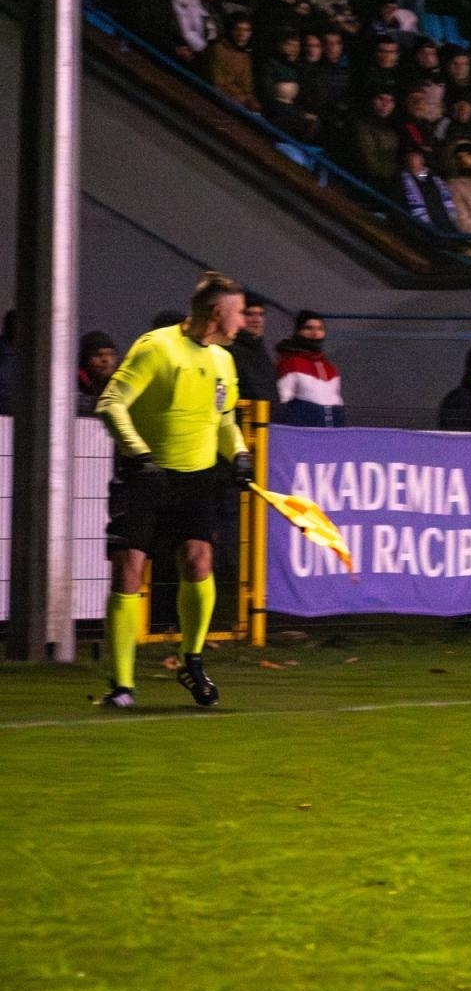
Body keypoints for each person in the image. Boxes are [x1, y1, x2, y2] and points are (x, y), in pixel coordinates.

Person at [94, 271, 253, 710]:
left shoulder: (223, 361)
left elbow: (223, 420)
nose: (243, 322)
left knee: (199, 563)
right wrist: (140, 457)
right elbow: (110, 404)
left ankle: (192, 659)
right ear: (218, 312)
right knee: (129, 568)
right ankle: (122, 685)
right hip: (145, 477)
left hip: (196, 479)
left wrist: (238, 453)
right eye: (239, 313)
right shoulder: (156, 347)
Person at [274, 310, 346, 426]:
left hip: (333, 431)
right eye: (309, 328)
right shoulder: (291, 363)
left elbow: (335, 400)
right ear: (298, 332)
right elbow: (281, 402)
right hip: (303, 433)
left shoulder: (330, 367)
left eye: (319, 329)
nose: (315, 333)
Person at [232, 296, 277, 402]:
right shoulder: (232, 351)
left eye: (261, 314)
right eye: (249, 314)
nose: (257, 320)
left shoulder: (263, 351)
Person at [76, 331, 120, 416]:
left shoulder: (123, 387)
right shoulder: (70, 387)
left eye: (111, 354)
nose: (106, 360)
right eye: (98, 355)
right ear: (85, 360)